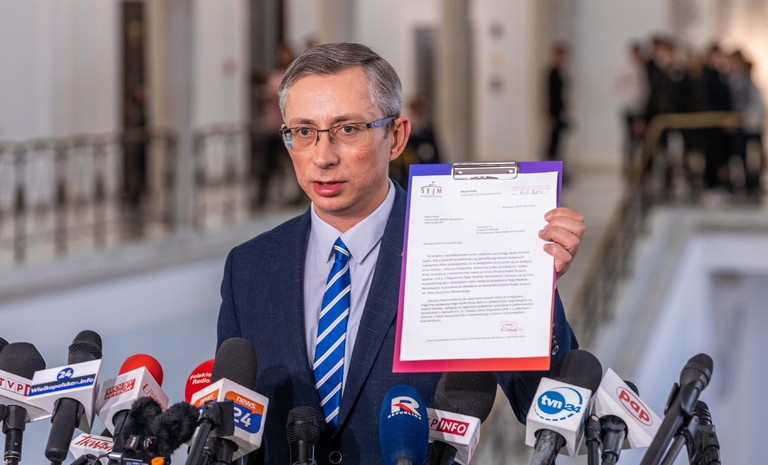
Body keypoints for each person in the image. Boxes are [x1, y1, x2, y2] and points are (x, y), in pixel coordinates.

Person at [217, 42, 585, 465]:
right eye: (303, 132)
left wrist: (533, 289)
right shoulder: (249, 268)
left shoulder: (466, 248)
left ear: (396, 137)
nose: (323, 156)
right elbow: (233, 433)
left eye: (347, 129)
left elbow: (543, 405)